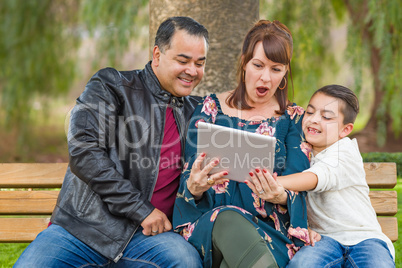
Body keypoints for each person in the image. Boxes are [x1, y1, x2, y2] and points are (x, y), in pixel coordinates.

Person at [14, 16, 208, 268]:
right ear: (157, 55)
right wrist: (142, 210)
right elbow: (84, 152)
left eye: (199, 63)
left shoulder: (199, 112)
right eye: (183, 60)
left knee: (186, 261)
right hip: (83, 231)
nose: (192, 71)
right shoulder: (111, 86)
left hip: (149, 240)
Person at [173, 20, 312, 268]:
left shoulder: (293, 119)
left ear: (285, 72)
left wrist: (280, 195)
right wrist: (194, 187)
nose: (265, 78)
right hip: (213, 225)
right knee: (227, 218)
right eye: (258, 65)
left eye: (276, 69)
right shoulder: (210, 109)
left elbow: (299, 181)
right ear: (244, 63)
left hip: (270, 232)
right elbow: (190, 178)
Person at [248, 85, 395, 267]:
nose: (314, 120)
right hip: (322, 239)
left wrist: (272, 182)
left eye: (326, 117)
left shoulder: (345, 151)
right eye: (309, 112)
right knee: (302, 264)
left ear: (345, 130)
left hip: (364, 239)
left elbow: (316, 178)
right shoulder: (299, 153)